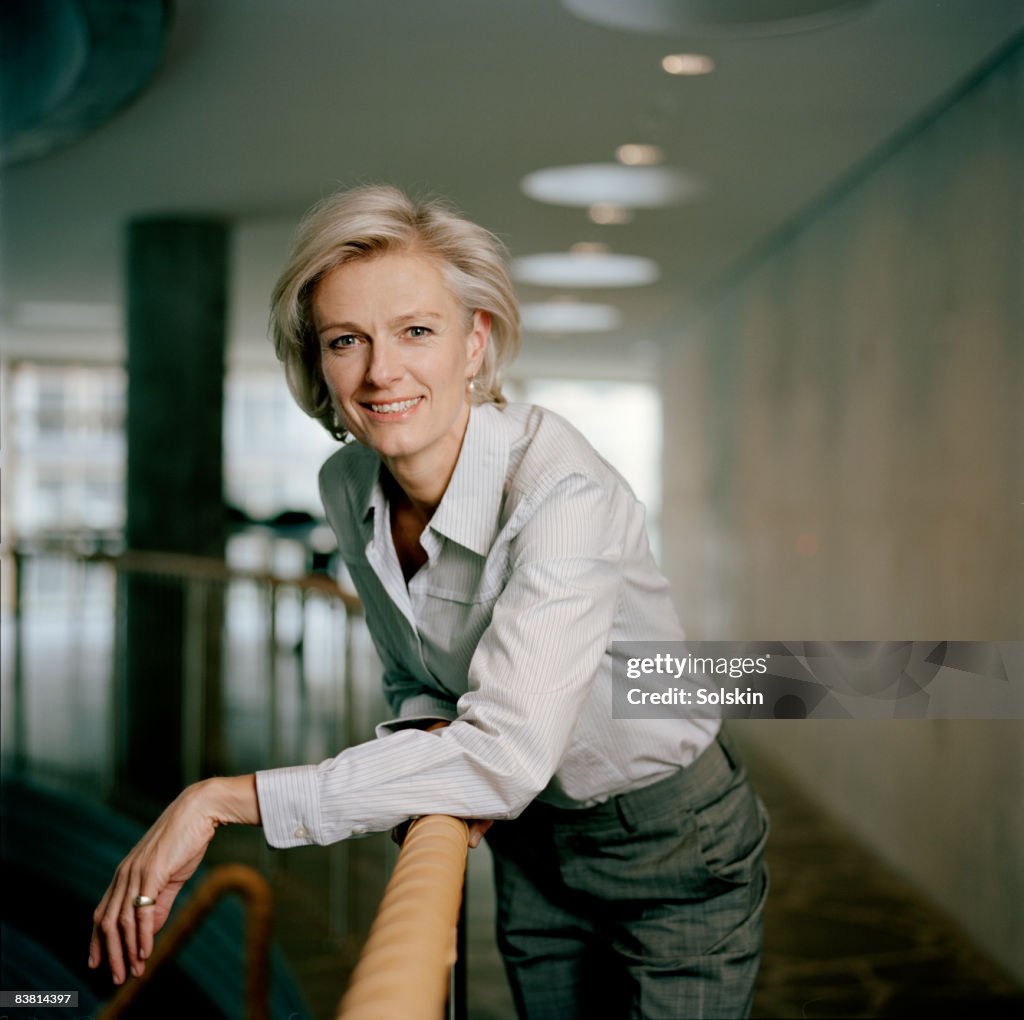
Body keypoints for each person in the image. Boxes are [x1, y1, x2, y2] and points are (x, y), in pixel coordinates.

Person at [89, 185, 768, 1019]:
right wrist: (431, 757)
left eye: (416, 331)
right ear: (318, 362)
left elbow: (506, 753)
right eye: (347, 341)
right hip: (529, 843)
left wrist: (217, 799)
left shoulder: (562, 491)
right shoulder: (347, 483)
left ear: (475, 342)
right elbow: (417, 677)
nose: (381, 371)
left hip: (671, 837)